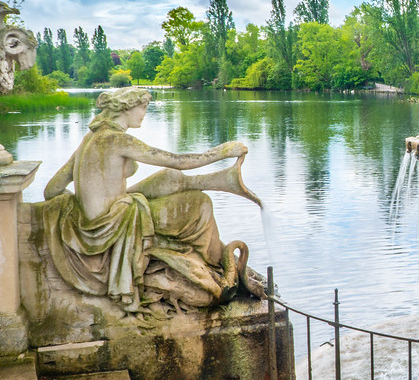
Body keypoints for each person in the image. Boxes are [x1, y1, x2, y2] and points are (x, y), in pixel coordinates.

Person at [43, 86, 262, 313]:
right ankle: (220, 264)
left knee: (167, 177)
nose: (144, 113)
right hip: (115, 224)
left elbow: (51, 190)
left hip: (98, 220)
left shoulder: (90, 139)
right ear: (126, 108)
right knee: (200, 205)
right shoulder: (118, 140)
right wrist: (224, 151)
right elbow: (176, 160)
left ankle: (218, 186)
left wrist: (82, 203)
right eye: (144, 107)